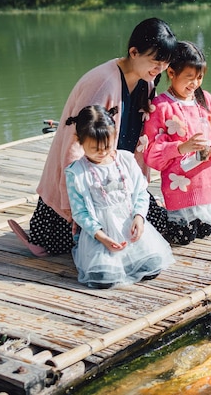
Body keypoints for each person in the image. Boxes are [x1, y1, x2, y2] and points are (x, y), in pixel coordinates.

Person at [8, 17, 178, 257]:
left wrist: (141, 189)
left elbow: (138, 142)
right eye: (155, 61)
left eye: (165, 63)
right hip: (84, 180)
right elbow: (73, 145)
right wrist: (71, 205)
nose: (160, 68)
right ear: (134, 52)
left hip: (116, 178)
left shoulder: (147, 83)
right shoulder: (103, 82)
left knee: (159, 228)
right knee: (63, 242)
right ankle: (47, 231)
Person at [64, 105, 174, 288]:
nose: (102, 152)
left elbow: (140, 192)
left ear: (114, 136)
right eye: (94, 148)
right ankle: (108, 262)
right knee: (104, 279)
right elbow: (80, 212)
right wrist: (102, 237)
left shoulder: (126, 159)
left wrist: (139, 217)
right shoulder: (76, 172)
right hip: (100, 235)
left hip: (128, 226)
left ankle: (133, 256)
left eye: (107, 146)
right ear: (80, 141)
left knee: (153, 267)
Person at [143, 41, 211, 245]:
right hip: (180, 187)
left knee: (204, 232)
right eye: (189, 78)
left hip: (206, 184)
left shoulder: (206, 100)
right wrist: (180, 148)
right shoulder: (161, 106)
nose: (194, 84)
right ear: (171, 73)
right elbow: (150, 151)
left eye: (199, 78)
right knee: (184, 238)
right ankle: (155, 216)